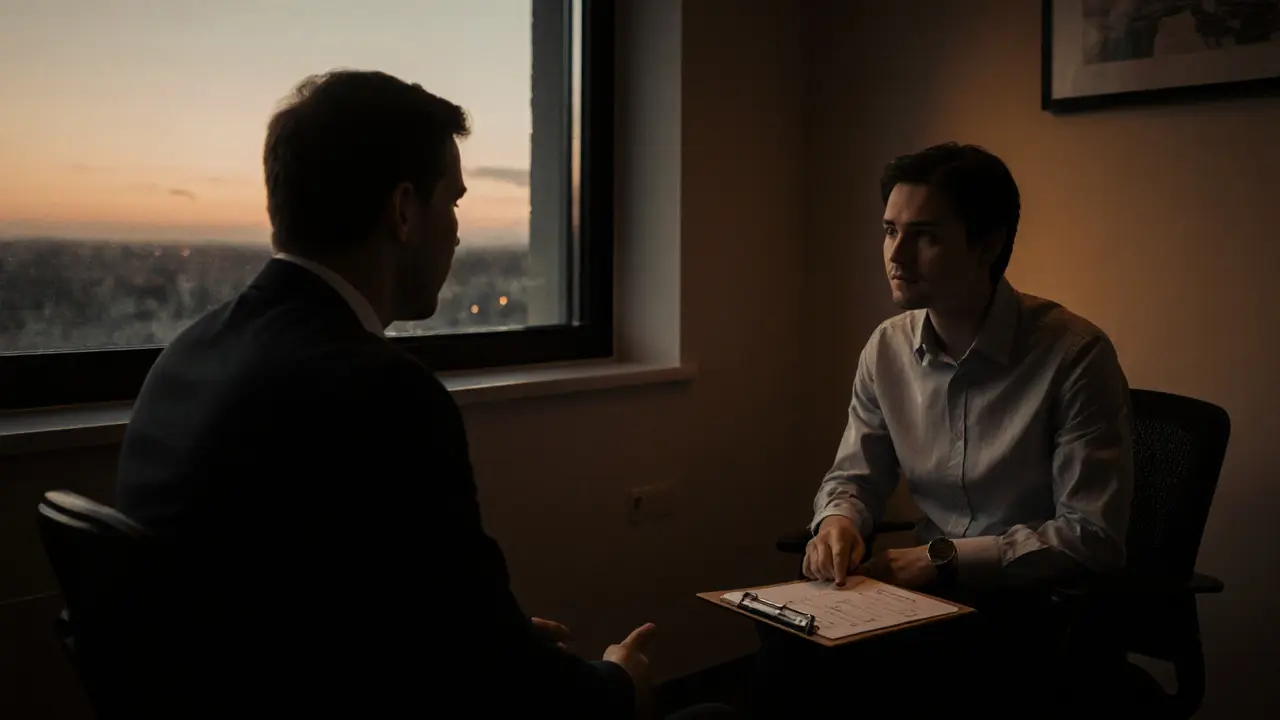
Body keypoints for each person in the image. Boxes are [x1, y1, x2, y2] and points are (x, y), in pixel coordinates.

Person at [116, 70, 734, 719]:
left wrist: (488, 642)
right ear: (405, 211)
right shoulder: (378, 390)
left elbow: (326, 606)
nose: (459, 232)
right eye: (455, 202)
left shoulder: (191, 352)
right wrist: (617, 683)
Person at [758, 142, 1134, 714]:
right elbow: (855, 476)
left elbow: (1092, 536)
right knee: (787, 645)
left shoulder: (1074, 355)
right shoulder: (886, 349)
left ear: (987, 244)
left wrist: (944, 557)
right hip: (919, 598)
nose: (897, 255)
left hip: (1035, 604)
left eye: (925, 236)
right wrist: (836, 522)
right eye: (889, 231)